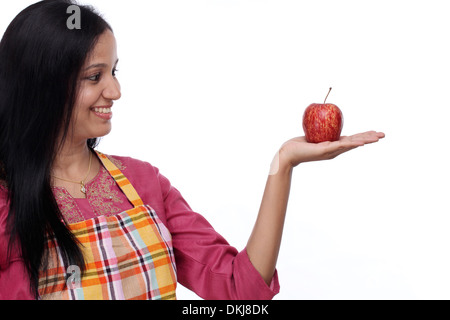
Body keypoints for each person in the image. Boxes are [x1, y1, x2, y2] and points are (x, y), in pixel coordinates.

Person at [0, 0, 385, 300]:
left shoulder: (143, 182)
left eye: (114, 72)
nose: (115, 92)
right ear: (43, 85)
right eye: (94, 76)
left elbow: (241, 291)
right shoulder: (6, 202)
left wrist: (283, 165)